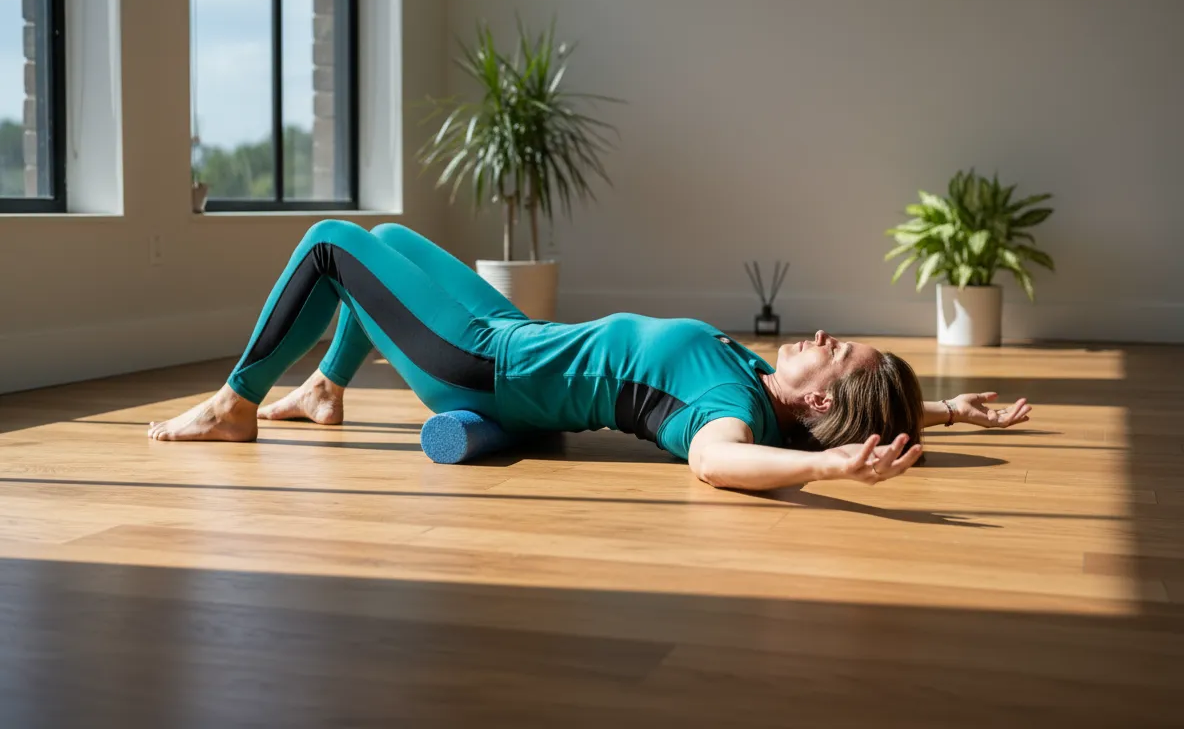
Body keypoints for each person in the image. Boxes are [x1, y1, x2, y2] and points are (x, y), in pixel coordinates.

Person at [149, 221, 1032, 490]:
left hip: (480, 365)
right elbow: (843, 418)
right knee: (388, 236)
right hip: (509, 340)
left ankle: (236, 404)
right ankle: (323, 390)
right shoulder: (755, 377)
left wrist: (832, 469)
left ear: (815, 408)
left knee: (333, 244)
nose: (828, 338)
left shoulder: (727, 401)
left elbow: (715, 463)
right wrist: (943, 412)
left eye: (837, 359)